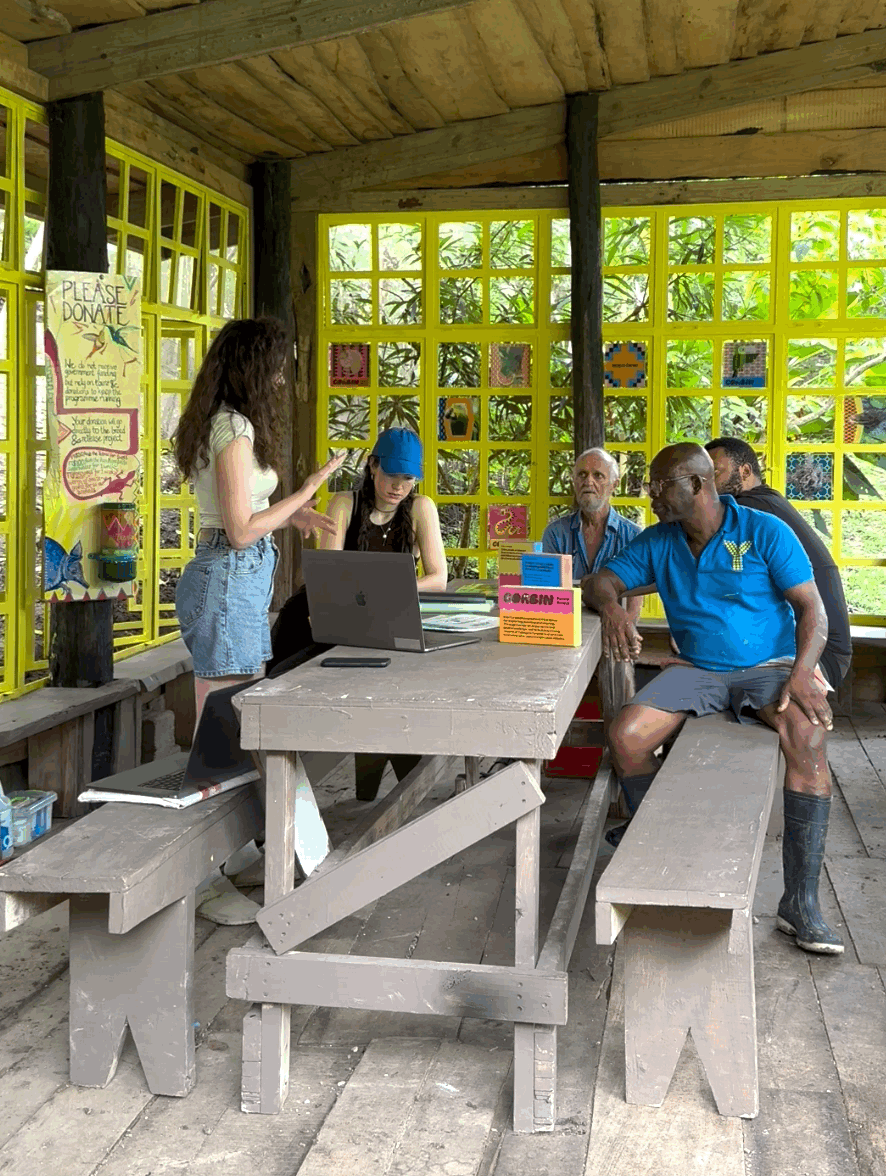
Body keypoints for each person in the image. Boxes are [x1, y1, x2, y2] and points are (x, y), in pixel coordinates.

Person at [582, 442, 843, 955]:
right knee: (626, 737)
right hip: (700, 670)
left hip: (768, 667)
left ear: (698, 485)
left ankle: (801, 903)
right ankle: (655, 836)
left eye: (660, 486)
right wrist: (613, 609)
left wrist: (803, 671)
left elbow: (812, 609)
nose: (650, 496)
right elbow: (600, 581)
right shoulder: (659, 541)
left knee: (808, 738)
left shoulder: (764, 531)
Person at [173, 316, 344, 727]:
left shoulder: (221, 421)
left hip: (233, 579)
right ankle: (218, 791)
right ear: (253, 371)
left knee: (234, 716)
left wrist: (290, 514)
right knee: (228, 723)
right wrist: (306, 490)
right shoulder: (233, 427)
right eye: (277, 370)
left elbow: (242, 515)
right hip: (228, 578)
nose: (281, 382)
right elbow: (240, 531)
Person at [321, 427, 447, 800]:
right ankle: (389, 784)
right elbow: (325, 576)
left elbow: (438, 578)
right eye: (391, 475)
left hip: (393, 614)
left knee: (400, 689)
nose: (398, 486)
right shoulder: (344, 503)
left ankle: (400, 784)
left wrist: (383, 590)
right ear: (372, 466)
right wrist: (381, 589)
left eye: (407, 478)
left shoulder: (421, 507)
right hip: (341, 618)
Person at [705, 436, 852, 695]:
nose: (706, 483)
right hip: (806, 645)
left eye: (715, 472)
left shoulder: (753, 509)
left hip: (817, 652)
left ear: (745, 471)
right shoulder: (763, 502)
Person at [542, 446, 643, 582]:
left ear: (614, 485)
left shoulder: (632, 536)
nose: (588, 482)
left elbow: (633, 599)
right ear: (574, 482)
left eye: (598, 475)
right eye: (582, 475)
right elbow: (548, 591)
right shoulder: (555, 534)